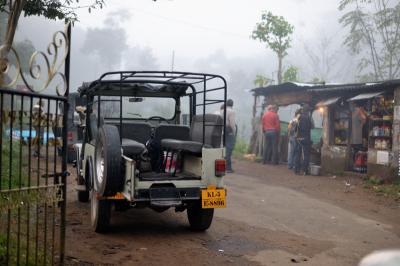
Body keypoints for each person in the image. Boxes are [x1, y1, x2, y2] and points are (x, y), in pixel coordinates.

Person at [294, 104, 314, 175]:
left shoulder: (298, 117)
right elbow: (312, 127)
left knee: (298, 154)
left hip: (299, 138)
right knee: (306, 155)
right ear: (308, 111)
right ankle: (305, 171)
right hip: (306, 138)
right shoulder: (309, 117)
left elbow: (295, 127)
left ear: (303, 110)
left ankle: (296, 170)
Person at [221, 99, 236, 173]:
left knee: (224, 147)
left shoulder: (222, 111)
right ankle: (228, 168)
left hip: (222, 130)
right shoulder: (231, 111)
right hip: (228, 130)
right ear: (232, 104)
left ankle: (226, 167)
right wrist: (233, 132)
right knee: (229, 148)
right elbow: (232, 123)